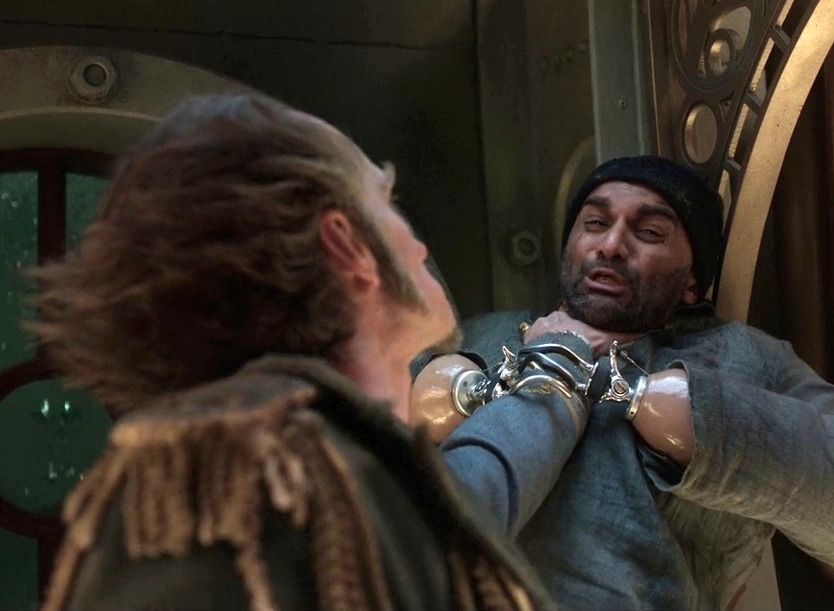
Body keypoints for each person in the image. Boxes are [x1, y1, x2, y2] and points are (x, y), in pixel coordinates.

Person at [32, 93, 555, 611]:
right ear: (346, 244)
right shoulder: (243, 470)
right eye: (385, 201)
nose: (418, 244)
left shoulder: (323, 465)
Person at [413, 156, 834, 610]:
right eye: (595, 223)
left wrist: (707, 422)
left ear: (693, 281)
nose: (611, 245)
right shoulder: (486, 336)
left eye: (649, 232)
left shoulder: (741, 358)